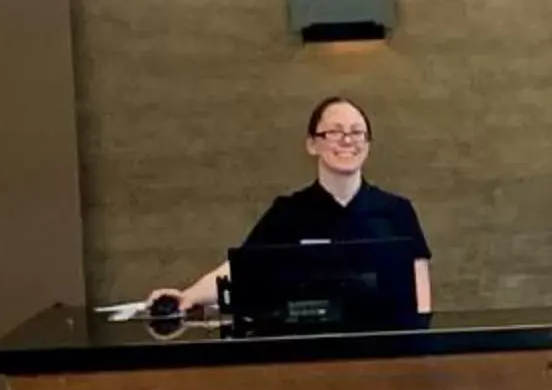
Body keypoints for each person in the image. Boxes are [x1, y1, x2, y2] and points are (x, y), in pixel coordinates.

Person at [153, 96, 433, 320]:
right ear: (312, 144)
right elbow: (242, 269)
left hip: (387, 356)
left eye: (357, 133)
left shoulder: (397, 210)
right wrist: (188, 296)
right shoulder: (289, 211)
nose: (348, 140)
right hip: (312, 357)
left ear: (368, 144)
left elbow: (420, 294)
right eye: (334, 132)